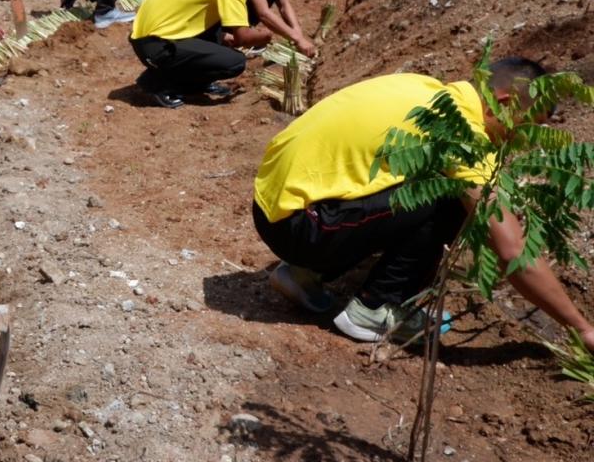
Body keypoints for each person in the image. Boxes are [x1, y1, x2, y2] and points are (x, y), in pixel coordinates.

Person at [252, 61, 594, 349]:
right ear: (503, 103)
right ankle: (374, 309)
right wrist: (582, 329)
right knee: (446, 195)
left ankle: (303, 274)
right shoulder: (463, 136)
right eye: (526, 128)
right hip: (302, 227)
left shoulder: (423, 86)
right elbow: (513, 250)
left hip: (272, 205)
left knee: (410, 180)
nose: (523, 142)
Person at [129, 0, 270, 108]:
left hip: (144, 40)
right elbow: (243, 38)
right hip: (156, 47)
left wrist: (222, 37)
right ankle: (157, 83)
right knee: (235, 62)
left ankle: (196, 85)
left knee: (220, 34)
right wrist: (265, 36)